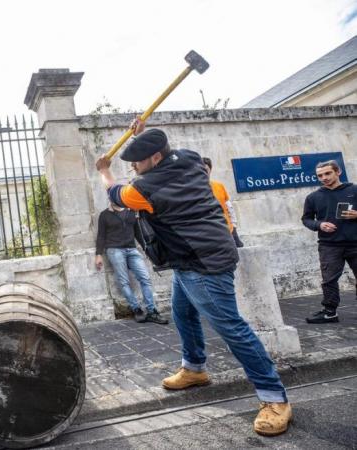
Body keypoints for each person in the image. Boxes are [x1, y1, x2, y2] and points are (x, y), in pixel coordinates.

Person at [95, 121, 291, 437]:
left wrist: (104, 169)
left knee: (233, 329)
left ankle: (274, 398)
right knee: (182, 313)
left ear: (155, 159)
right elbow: (156, 156)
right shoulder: (191, 159)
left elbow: (116, 193)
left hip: (203, 264)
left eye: (137, 160)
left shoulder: (146, 190)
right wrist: (141, 136)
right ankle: (195, 368)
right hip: (195, 256)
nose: (132, 165)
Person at [301, 160, 357, 324]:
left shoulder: (354, 190)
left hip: (355, 243)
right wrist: (319, 224)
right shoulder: (313, 197)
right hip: (329, 246)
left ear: (338, 172)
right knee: (329, 280)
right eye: (320, 175)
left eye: (327, 173)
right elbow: (306, 219)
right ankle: (330, 312)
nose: (324, 178)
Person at [95, 202, 168, 324]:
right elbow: (101, 235)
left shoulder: (131, 212)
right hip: (114, 250)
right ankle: (136, 309)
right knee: (124, 281)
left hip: (132, 249)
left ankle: (152, 311)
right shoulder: (105, 215)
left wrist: (147, 250)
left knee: (145, 278)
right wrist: (98, 254)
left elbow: (138, 232)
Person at [201, 157, 244, 247]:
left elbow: (229, 207)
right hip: (211, 231)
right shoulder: (197, 190)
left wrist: (234, 224)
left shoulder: (219, 186)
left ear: (210, 170)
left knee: (238, 247)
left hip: (228, 228)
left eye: (206, 169)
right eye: (201, 170)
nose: (205, 172)